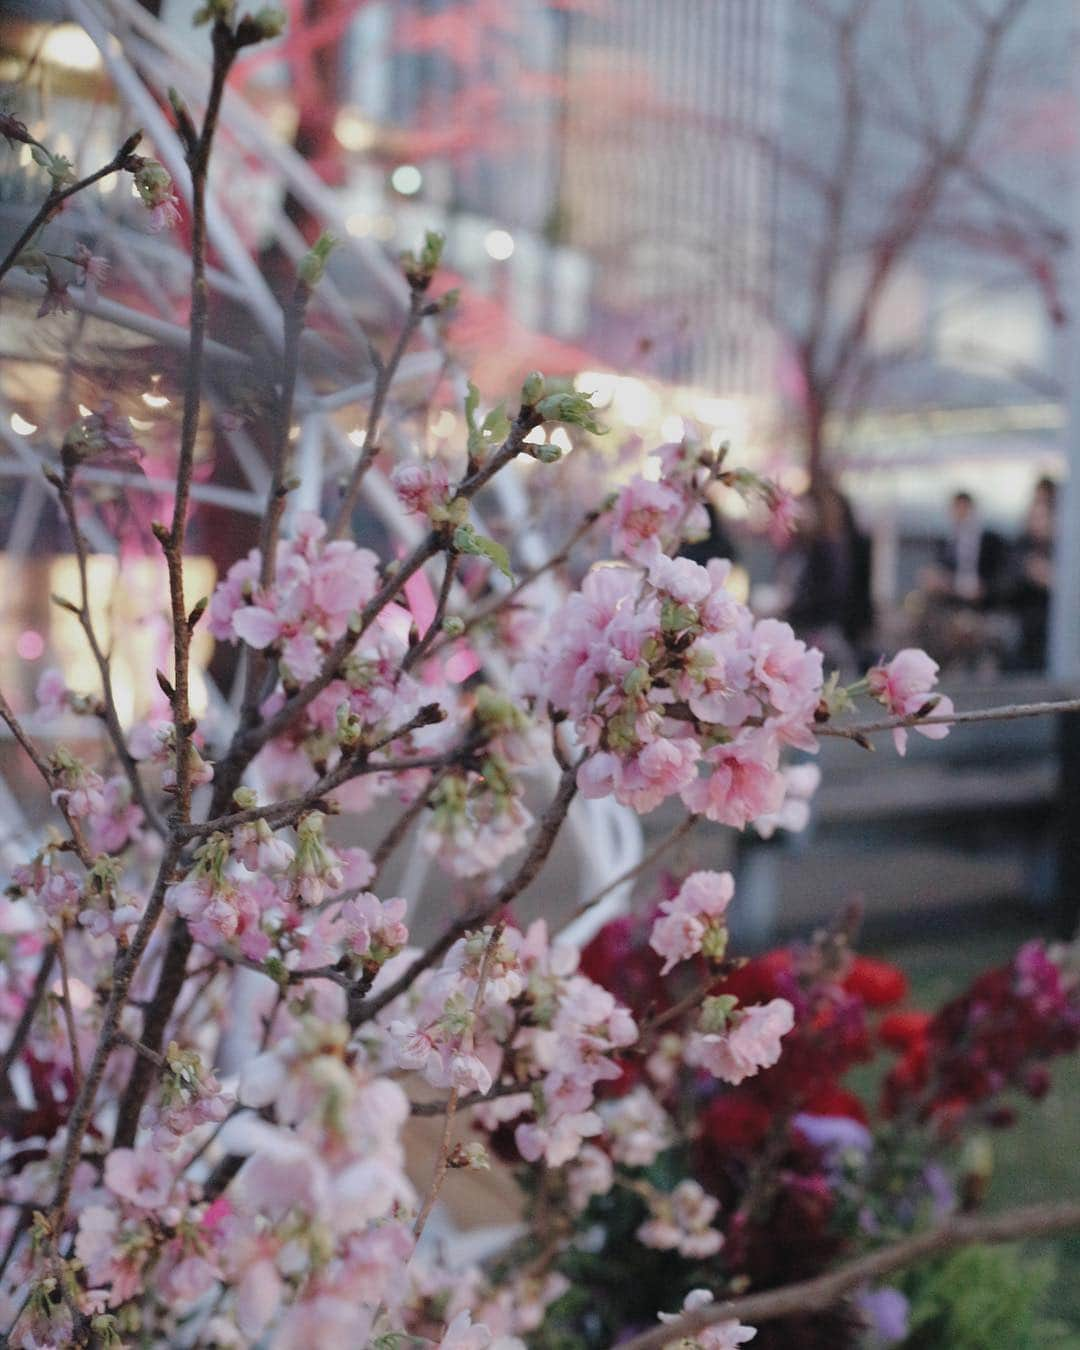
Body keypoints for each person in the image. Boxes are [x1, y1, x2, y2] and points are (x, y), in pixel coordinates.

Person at [783, 483, 873, 670]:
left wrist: (789, 608)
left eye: (806, 509)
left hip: (822, 632)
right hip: (805, 627)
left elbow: (830, 598)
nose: (800, 515)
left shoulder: (828, 550)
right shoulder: (801, 547)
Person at [1007, 476, 1056, 670]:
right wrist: (1028, 572)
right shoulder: (1022, 546)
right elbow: (1005, 586)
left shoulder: (1066, 547)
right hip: (1027, 614)